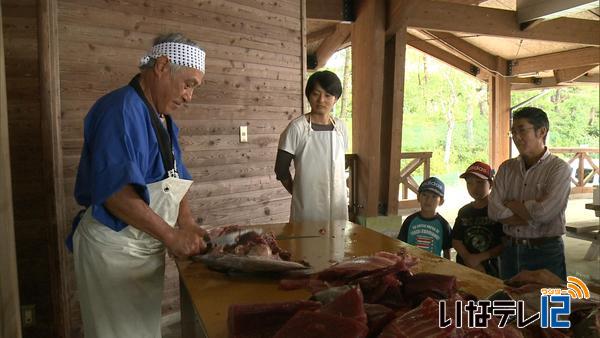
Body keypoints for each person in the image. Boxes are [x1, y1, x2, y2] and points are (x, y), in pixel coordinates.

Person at [66, 33, 209, 338]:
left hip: (142, 247)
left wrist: (187, 222)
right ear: (161, 65)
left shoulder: (162, 117)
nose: (188, 96)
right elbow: (116, 195)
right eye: (188, 84)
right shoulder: (119, 110)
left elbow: (174, 177)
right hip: (114, 249)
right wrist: (171, 235)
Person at [488, 107, 571, 280]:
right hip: (510, 249)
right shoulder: (506, 168)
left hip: (545, 250)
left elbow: (545, 214)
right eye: (513, 132)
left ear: (541, 131)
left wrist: (512, 204)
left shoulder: (559, 169)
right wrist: (531, 212)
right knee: (510, 302)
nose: (516, 137)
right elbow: (494, 211)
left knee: (548, 304)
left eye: (522, 130)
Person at [275, 70, 349, 224]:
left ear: (336, 99)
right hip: (307, 206)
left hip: (337, 204)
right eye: (316, 94)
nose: (321, 100)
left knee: (336, 244)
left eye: (328, 95)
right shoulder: (297, 128)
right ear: (308, 95)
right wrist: (298, 193)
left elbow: (342, 163)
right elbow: (281, 169)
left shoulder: (341, 128)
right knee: (306, 245)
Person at [452, 161, 504, 277]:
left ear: (490, 184)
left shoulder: (498, 210)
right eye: (470, 183)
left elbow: (504, 243)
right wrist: (468, 258)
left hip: (491, 269)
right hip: (465, 265)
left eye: (480, 183)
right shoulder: (464, 211)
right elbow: (456, 240)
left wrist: (479, 258)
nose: (475, 188)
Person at [398, 177, 452, 259]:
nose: (428, 200)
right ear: (418, 197)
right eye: (424, 195)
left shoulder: (444, 225)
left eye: (434, 196)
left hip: (433, 267)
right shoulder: (410, 221)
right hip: (411, 266)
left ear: (441, 201)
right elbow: (401, 246)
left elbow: (447, 251)